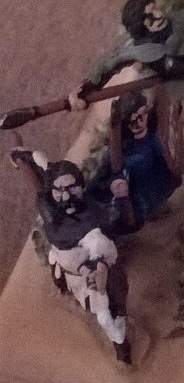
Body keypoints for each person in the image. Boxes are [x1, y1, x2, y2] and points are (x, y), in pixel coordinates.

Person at [10, 149, 132, 364]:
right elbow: (43, 164)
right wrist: (22, 157)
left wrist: (97, 269)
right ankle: (63, 285)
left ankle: (121, 344)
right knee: (58, 275)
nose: (65, 195)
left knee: (105, 314)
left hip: (86, 269)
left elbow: (100, 245)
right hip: (61, 259)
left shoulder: (92, 221)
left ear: (80, 186)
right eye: (59, 189)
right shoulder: (49, 205)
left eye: (71, 187)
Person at [89, 86, 184, 233]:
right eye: (133, 119)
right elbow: (107, 173)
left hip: (161, 179)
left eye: (142, 115)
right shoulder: (121, 149)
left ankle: (160, 207)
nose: (139, 122)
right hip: (140, 191)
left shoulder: (154, 132)